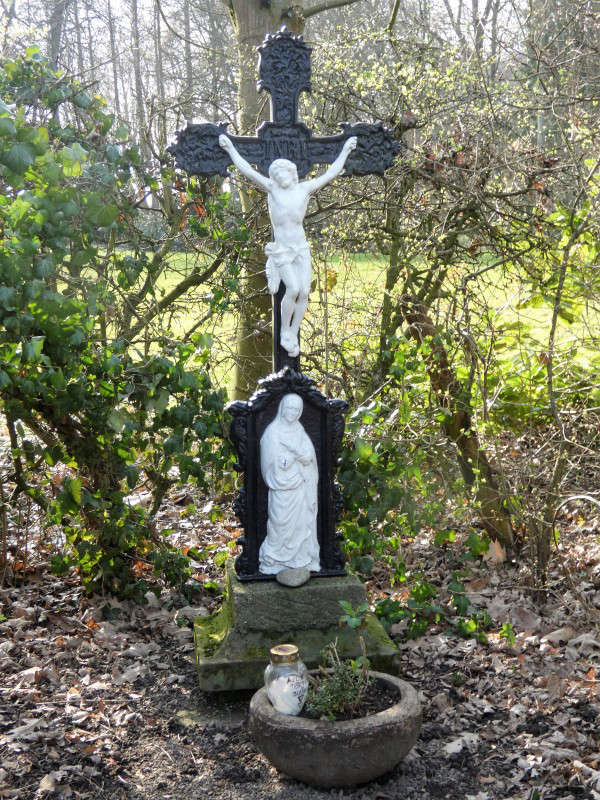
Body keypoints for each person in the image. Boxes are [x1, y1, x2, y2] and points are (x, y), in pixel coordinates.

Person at [219, 134, 357, 357]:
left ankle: (293, 332)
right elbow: (247, 170)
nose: (282, 177)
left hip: (301, 248)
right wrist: (230, 149)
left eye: (285, 173)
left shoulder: (304, 189)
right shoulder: (272, 189)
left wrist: (346, 151)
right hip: (282, 249)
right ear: (274, 176)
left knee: (304, 293)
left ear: (293, 174)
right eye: (277, 174)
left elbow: (331, 173)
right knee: (292, 289)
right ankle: (284, 331)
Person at [258, 393, 319, 574]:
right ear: (282, 408)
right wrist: (282, 463)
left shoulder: (299, 430)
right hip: (281, 487)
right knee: (279, 524)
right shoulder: (273, 432)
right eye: (290, 408)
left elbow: (309, 457)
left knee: (300, 525)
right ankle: (273, 558)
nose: (293, 413)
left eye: (296, 409)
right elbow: (268, 463)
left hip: (299, 487)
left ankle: (300, 559)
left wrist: (299, 459)